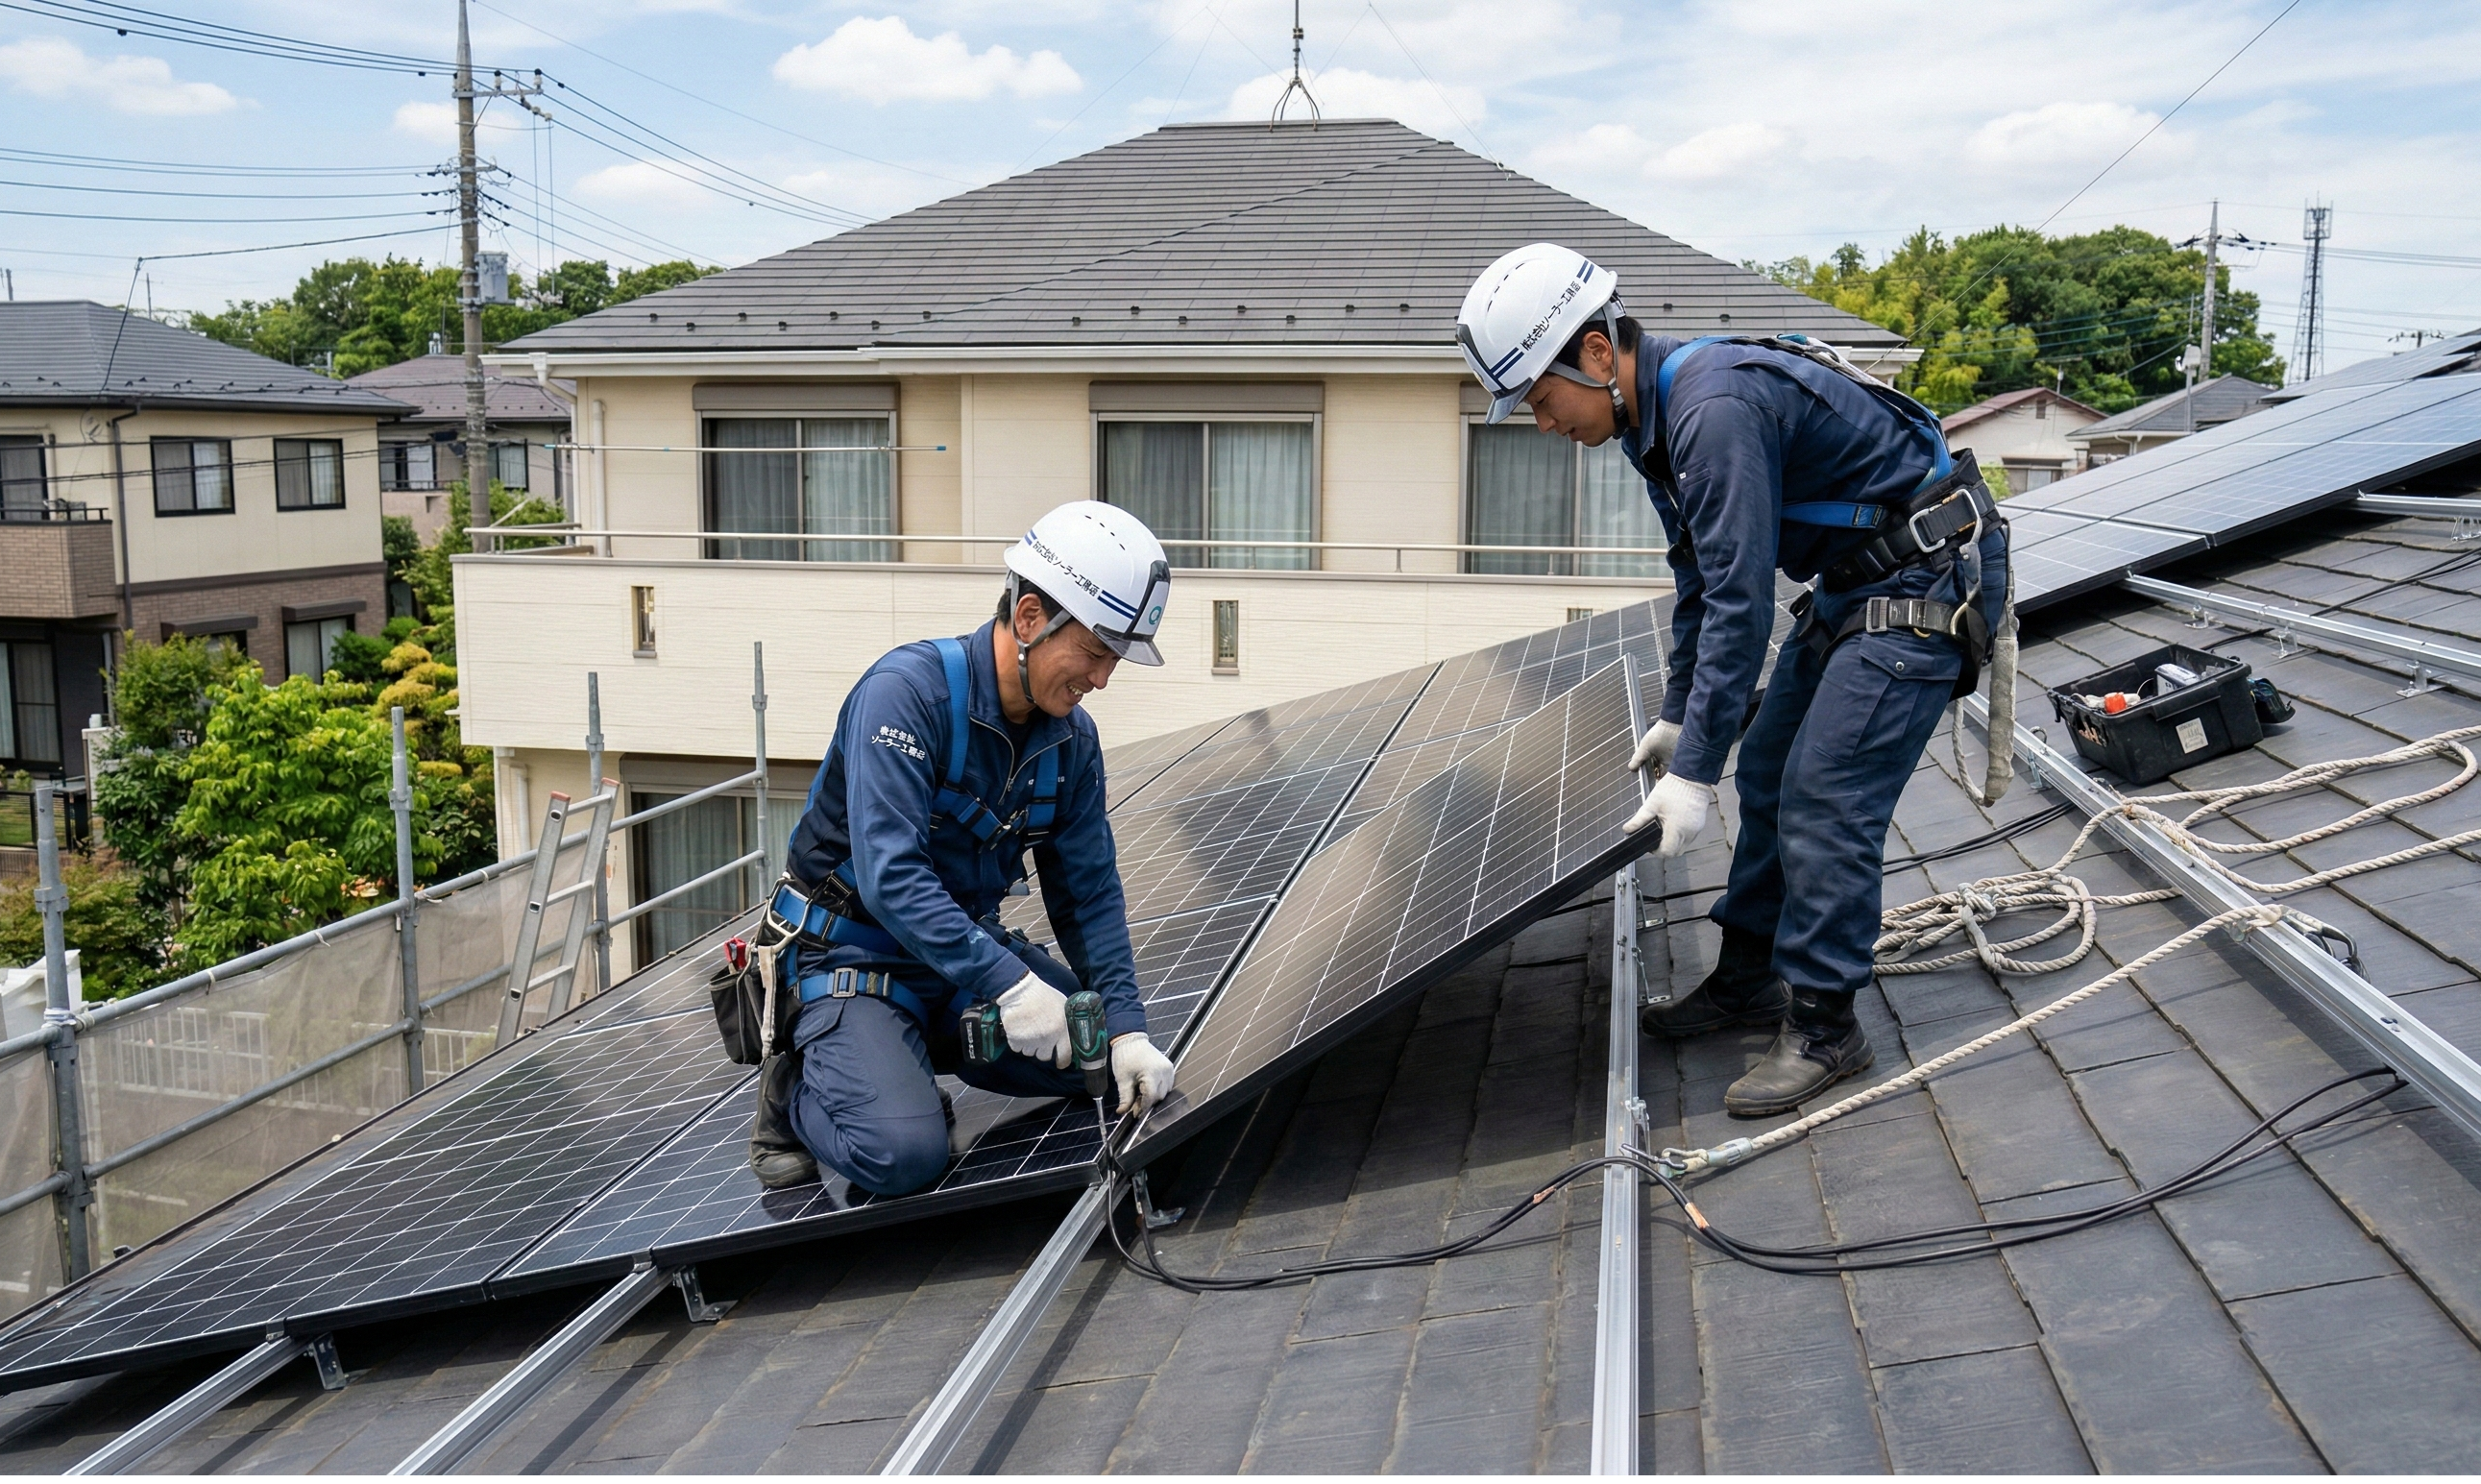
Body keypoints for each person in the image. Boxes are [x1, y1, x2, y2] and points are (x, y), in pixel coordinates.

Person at [1457, 243, 2009, 1117]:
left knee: (1824, 790)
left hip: (1926, 575)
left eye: (1540, 398)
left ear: (1595, 354)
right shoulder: (1652, 424)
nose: (1544, 423)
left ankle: (1826, 1027)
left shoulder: (1710, 407)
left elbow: (1742, 603)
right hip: (1858, 579)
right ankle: (1750, 977)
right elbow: (1698, 577)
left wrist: (1691, 775)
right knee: (1767, 770)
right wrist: (1682, 718)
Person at [748, 500, 1180, 1195]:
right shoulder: (904, 697)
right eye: (1095, 651)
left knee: (1104, 1068)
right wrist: (1011, 984)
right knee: (903, 1156)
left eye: (1114, 659)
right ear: (1031, 617)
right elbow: (891, 877)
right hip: (850, 955)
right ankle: (800, 1085)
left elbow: (1089, 895)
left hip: (955, 959)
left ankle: (904, 1059)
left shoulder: (1071, 741)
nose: (1102, 679)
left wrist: (1127, 1028)